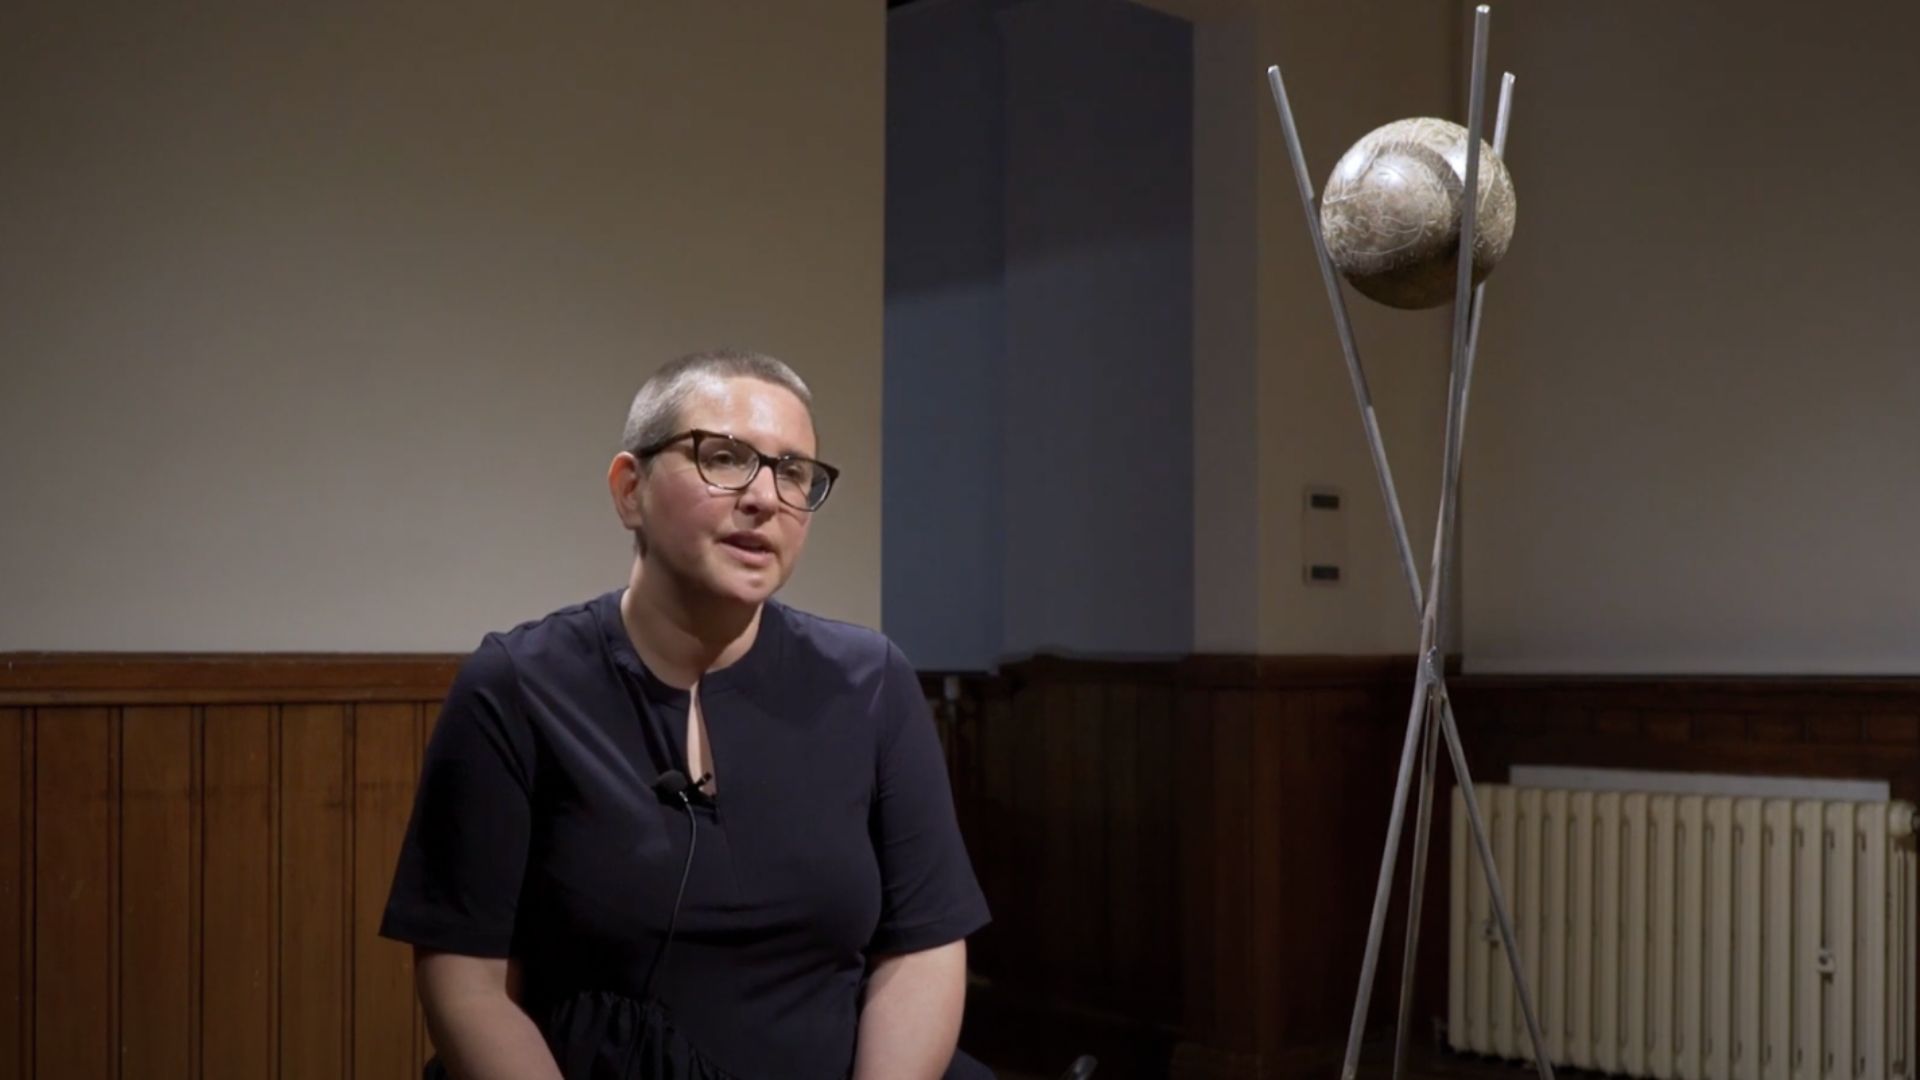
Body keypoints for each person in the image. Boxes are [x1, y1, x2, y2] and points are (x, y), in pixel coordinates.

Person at [380, 348, 992, 1079]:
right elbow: (467, 984)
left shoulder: (871, 682)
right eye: (725, 458)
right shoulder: (514, 685)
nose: (765, 498)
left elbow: (922, 948)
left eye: (794, 472)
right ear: (629, 489)